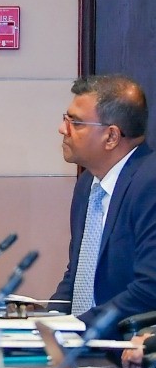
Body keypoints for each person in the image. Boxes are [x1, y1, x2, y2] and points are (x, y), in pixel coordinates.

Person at [51, 74, 152, 329]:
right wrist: (45, 322)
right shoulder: (88, 183)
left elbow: (149, 289)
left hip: (127, 341)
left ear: (111, 137)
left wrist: (77, 328)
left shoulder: (150, 184)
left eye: (75, 122)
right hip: (85, 337)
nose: (62, 129)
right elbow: (77, 276)